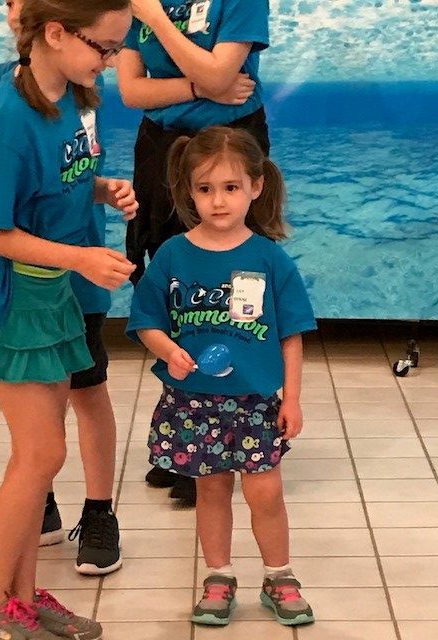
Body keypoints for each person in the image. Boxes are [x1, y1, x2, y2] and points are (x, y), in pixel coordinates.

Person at [0, 1, 135, 639]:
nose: (110, 62)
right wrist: (81, 258)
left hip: (49, 287)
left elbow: (57, 180)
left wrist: (100, 188)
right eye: (104, 48)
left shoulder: (71, 96)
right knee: (41, 454)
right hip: (12, 293)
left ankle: (24, 599)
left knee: (39, 457)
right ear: (55, 33)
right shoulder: (10, 117)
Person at [126, 126, 316, 627]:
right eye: (205, 188)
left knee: (265, 493)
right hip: (193, 402)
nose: (217, 200)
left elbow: (292, 336)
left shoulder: (270, 259)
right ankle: (219, 576)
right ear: (188, 191)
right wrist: (168, 350)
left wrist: (292, 399)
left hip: (255, 403)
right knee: (210, 491)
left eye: (230, 187)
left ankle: (279, 576)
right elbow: (145, 321)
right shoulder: (172, 255)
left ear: (256, 186)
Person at [116, 0, 271, 504]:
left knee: (229, 295)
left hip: (230, 145)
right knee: (172, 291)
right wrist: (201, 87)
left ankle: (234, 432)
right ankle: (186, 433)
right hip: (161, 146)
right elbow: (132, 91)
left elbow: (224, 72)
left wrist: (158, 20)